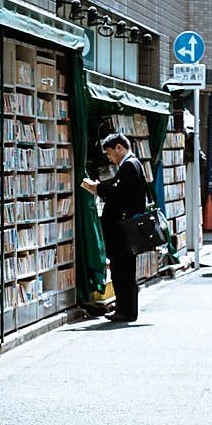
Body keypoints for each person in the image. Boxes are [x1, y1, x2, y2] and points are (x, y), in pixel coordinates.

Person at [81, 132, 147, 323]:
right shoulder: (132, 165)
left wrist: (97, 188)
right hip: (123, 228)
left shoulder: (129, 165)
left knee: (122, 270)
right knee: (123, 270)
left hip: (122, 229)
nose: (110, 158)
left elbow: (118, 191)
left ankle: (125, 311)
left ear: (119, 148)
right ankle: (125, 308)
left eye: (110, 153)